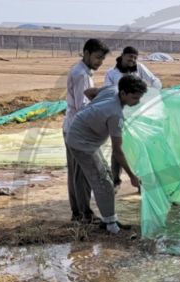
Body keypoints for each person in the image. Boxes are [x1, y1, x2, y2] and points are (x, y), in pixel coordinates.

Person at [65, 75, 147, 234]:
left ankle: (110, 219)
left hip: (83, 135)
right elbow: (117, 151)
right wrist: (131, 175)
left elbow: (89, 92)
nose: (137, 102)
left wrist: (93, 112)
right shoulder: (115, 114)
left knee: (107, 176)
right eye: (134, 98)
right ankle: (110, 225)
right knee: (103, 182)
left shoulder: (112, 89)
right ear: (123, 93)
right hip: (81, 143)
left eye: (139, 98)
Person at [63, 38, 109, 223]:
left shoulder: (82, 72)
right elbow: (82, 106)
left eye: (102, 59)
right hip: (78, 131)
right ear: (87, 53)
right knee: (83, 173)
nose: (99, 62)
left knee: (76, 173)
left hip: (72, 128)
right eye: (97, 57)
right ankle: (84, 214)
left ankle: (78, 213)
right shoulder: (81, 74)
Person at [104, 46, 161, 188]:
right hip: (120, 114)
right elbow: (108, 92)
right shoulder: (111, 73)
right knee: (118, 147)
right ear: (122, 56)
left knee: (140, 147)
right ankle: (116, 181)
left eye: (135, 57)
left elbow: (155, 81)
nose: (133, 60)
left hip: (139, 115)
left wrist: (149, 95)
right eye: (130, 56)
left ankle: (142, 181)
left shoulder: (139, 68)